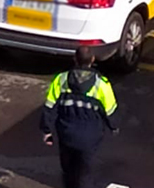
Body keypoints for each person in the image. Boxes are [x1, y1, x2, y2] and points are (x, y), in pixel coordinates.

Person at [40, 46, 119, 188]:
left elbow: (49, 107)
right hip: (90, 138)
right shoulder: (102, 84)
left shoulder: (60, 80)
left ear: (74, 59)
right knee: (84, 175)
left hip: (66, 135)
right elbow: (110, 111)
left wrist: (47, 130)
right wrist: (114, 126)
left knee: (68, 172)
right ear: (93, 60)